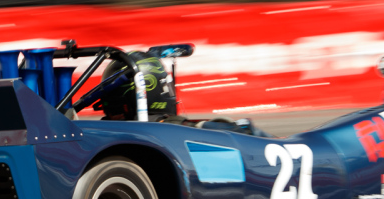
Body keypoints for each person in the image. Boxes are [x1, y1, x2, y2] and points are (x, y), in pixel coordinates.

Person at [97, 52, 270, 137]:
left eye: (115, 105)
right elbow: (247, 134)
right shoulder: (183, 130)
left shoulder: (96, 132)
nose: (111, 113)